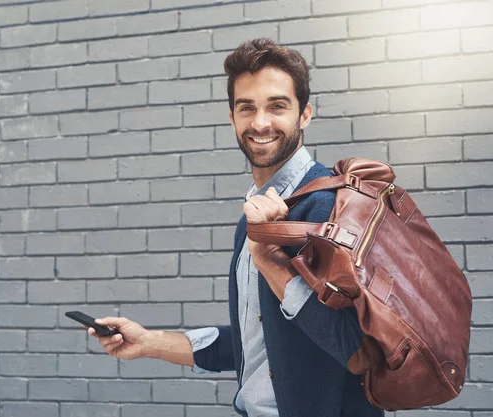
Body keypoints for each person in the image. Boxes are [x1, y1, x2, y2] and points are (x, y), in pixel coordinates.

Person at [86, 38, 384, 417]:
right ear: (231, 117)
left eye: (277, 106)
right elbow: (257, 345)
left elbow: (359, 352)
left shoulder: (330, 208)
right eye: (247, 108)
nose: (260, 123)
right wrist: (148, 342)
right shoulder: (252, 221)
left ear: (305, 114)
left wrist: (269, 259)